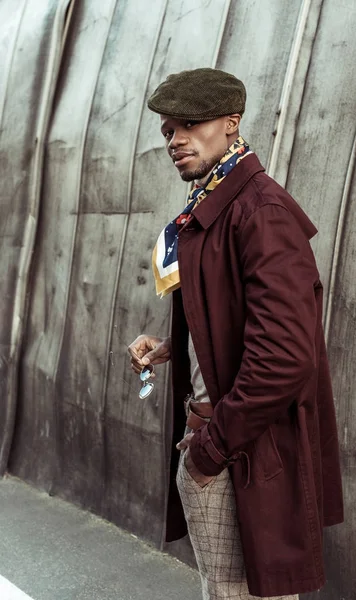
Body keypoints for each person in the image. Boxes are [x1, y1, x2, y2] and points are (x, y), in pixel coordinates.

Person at [129, 68, 343, 600]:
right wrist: (172, 349)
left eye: (190, 124)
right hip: (226, 445)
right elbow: (235, 321)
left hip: (240, 451)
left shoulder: (258, 211)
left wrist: (208, 451)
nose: (175, 139)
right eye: (167, 129)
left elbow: (286, 359)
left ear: (231, 123)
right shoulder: (215, 205)